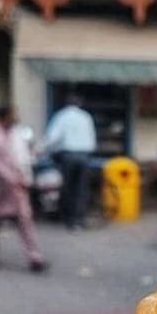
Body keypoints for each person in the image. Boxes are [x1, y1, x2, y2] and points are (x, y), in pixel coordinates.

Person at [0, 106, 47, 272]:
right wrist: (11, 178)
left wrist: (25, 178)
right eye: (13, 115)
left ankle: (34, 256)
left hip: (17, 189)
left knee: (25, 221)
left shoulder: (17, 134)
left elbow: (24, 157)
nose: (16, 118)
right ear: (2, 117)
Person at [43, 92, 97, 230]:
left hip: (69, 156)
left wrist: (42, 149)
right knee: (81, 189)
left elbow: (53, 138)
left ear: (67, 104)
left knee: (68, 188)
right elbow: (92, 139)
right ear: (79, 104)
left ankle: (69, 219)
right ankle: (79, 219)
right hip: (85, 156)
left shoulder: (62, 116)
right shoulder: (86, 117)